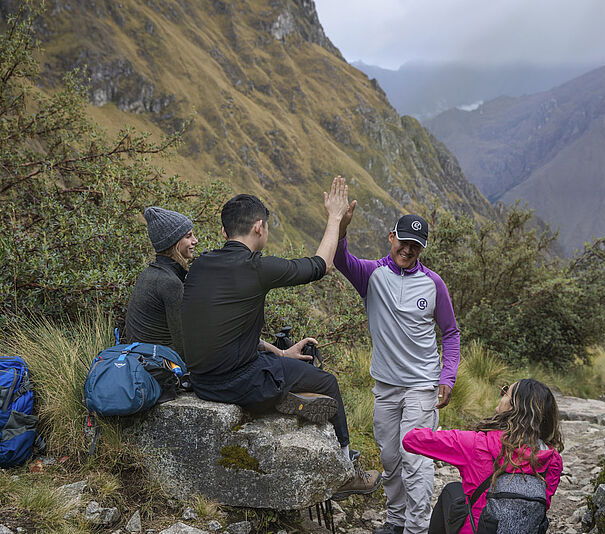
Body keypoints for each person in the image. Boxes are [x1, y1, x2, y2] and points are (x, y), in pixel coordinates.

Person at [181, 176, 380, 497]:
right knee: (325, 381)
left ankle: (283, 393)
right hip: (237, 382)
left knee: (286, 364)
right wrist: (334, 218)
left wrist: (281, 354)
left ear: (223, 232)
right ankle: (345, 472)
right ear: (259, 227)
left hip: (202, 380)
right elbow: (320, 266)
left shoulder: (201, 264)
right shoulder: (256, 267)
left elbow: (226, 332)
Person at [334, 205, 461, 534]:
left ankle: (416, 530)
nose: (407, 249)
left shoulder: (433, 284)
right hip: (386, 387)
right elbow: (339, 259)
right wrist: (341, 227)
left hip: (422, 386)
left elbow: (450, 333)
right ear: (391, 237)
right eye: (403, 241)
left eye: (415, 245)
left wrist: (447, 376)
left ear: (422, 248)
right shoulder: (372, 276)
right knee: (390, 459)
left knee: (415, 461)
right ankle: (396, 521)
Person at [402, 379, 564, 534]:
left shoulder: (477, 443)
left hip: (478, 529)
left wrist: (438, 434)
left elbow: (410, 440)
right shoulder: (553, 460)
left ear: (513, 407)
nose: (501, 395)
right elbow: (542, 505)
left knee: (452, 491)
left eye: (506, 392)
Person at [125, 206, 198, 354]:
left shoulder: (149, 273)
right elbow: (183, 343)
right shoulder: (170, 282)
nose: (195, 241)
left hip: (141, 358)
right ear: (174, 242)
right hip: (160, 364)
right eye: (188, 236)